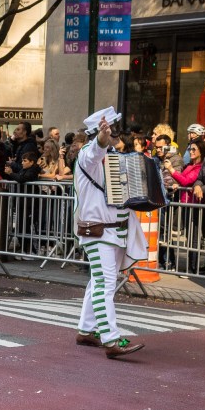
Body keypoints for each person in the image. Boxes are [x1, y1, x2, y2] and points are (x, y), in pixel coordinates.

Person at [72, 109, 146, 358]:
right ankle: (111, 340)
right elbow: (96, 150)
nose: (115, 134)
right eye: (111, 130)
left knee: (100, 282)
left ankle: (86, 330)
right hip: (98, 233)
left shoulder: (113, 159)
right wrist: (102, 139)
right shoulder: (87, 155)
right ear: (99, 133)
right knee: (105, 284)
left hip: (114, 232)